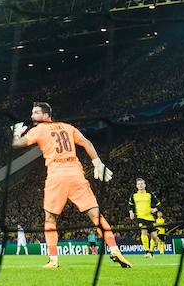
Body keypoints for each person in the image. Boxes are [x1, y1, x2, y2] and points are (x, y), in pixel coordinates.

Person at [11, 102, 131, 269]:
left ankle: (53, 260)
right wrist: (97, 162)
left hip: (56, 174)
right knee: (96, 215)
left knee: (50, 218)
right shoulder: (68, 127)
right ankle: (114, 249)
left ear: (46, 115)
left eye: (36, 112)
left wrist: (16, 134)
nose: (32, 116)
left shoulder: (38, 130)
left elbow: (16, 145)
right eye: (32, 112)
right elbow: (87, 143)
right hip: (76, 172)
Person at [128, 178, 162, 258]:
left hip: (150, 218)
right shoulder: (134, 195)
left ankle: (151, 252)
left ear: (145, 185)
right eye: (139, 184)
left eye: (142, 183)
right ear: (136, 186)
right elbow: (130, 205)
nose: (140, 185)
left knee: (154, 236)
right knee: (144, 232)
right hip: (140, 217)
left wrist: (155, 209)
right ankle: (146, 251)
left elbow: (159, 204)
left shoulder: (149, 194)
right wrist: (131, 212)